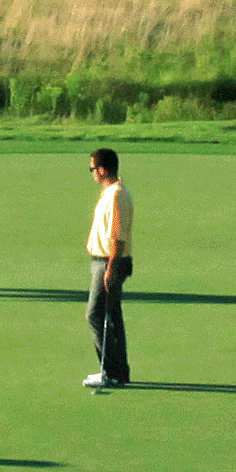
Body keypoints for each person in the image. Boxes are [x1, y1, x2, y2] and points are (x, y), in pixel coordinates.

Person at [80, 147, 136, 391]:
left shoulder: (116, 196)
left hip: (109, 260)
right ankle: (118, 372)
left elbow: (117, 238)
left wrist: (110, 269)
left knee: (95, 314)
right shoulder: (110, 192)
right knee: (111, 317)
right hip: (106, 260)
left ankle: (111, 371)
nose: (92, 173)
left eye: (92, 169)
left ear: (102, 170)